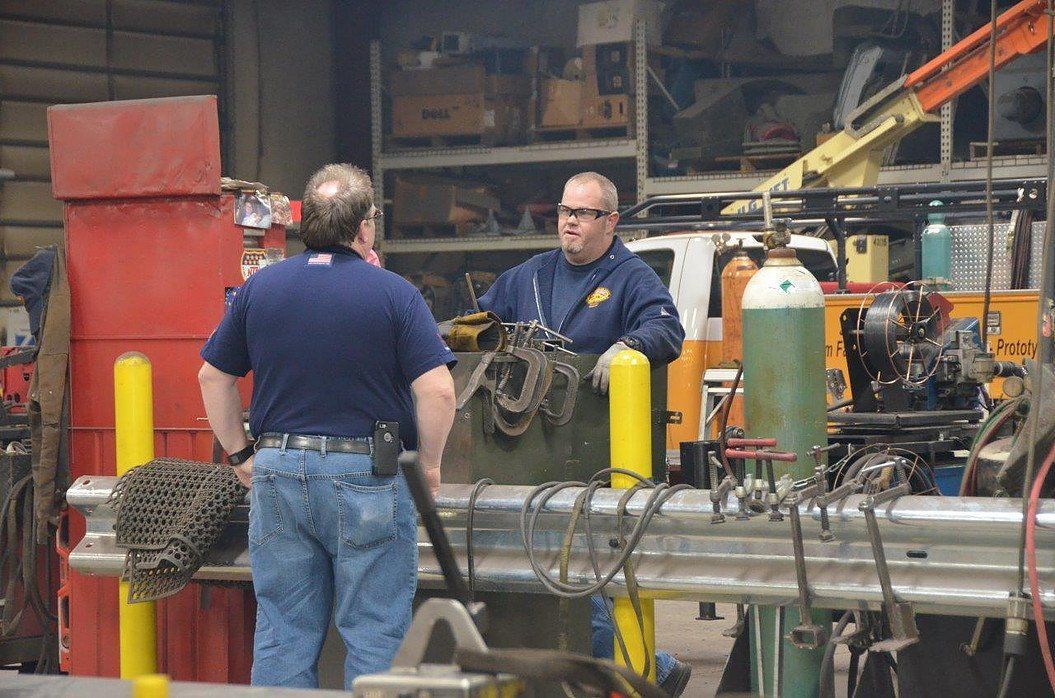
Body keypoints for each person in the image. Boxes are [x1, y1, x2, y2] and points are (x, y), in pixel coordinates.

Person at [198, 163, 456, 689]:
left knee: (283, 631)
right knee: (375, 632)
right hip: (367, 477)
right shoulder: (394, 294)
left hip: (277, 472)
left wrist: (242, 455)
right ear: (363, 226)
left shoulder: (259, 290)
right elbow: (438, 390)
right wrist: (428, 465)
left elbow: (212, 377)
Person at [477, 171, 691, 695]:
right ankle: (644, 670)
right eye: (564, 212)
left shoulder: (632, 277)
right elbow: (479, 322)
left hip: (598, 457)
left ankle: (649, 671)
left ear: (611, 221)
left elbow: (668, 330)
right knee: (547, 568)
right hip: (528, 453)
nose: (570, 221)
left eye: (583, 213)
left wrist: (631, 346)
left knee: (585, 573)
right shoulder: (529, 276)